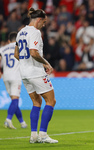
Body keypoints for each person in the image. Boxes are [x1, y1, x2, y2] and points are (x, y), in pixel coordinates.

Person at [14, 8, 58, 144]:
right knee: (51, 101)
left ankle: (33, 136)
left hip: (24, 73)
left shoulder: (21, 32)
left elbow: (16, 54)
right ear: (38, 20)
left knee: (36, 102)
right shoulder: (35, 32)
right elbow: (33, 52)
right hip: (35, 72)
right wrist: (46, 63)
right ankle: (43, 135)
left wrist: (26, 64)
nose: (43, 25)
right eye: (43, 22)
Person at [0, 32, 27, 129]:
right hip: (16, 76)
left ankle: (22, 122)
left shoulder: (2, 49)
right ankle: (8, 120)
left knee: (13, 101)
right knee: (15, 100)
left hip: (5, 77)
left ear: (8, 40)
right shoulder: (19, 48)